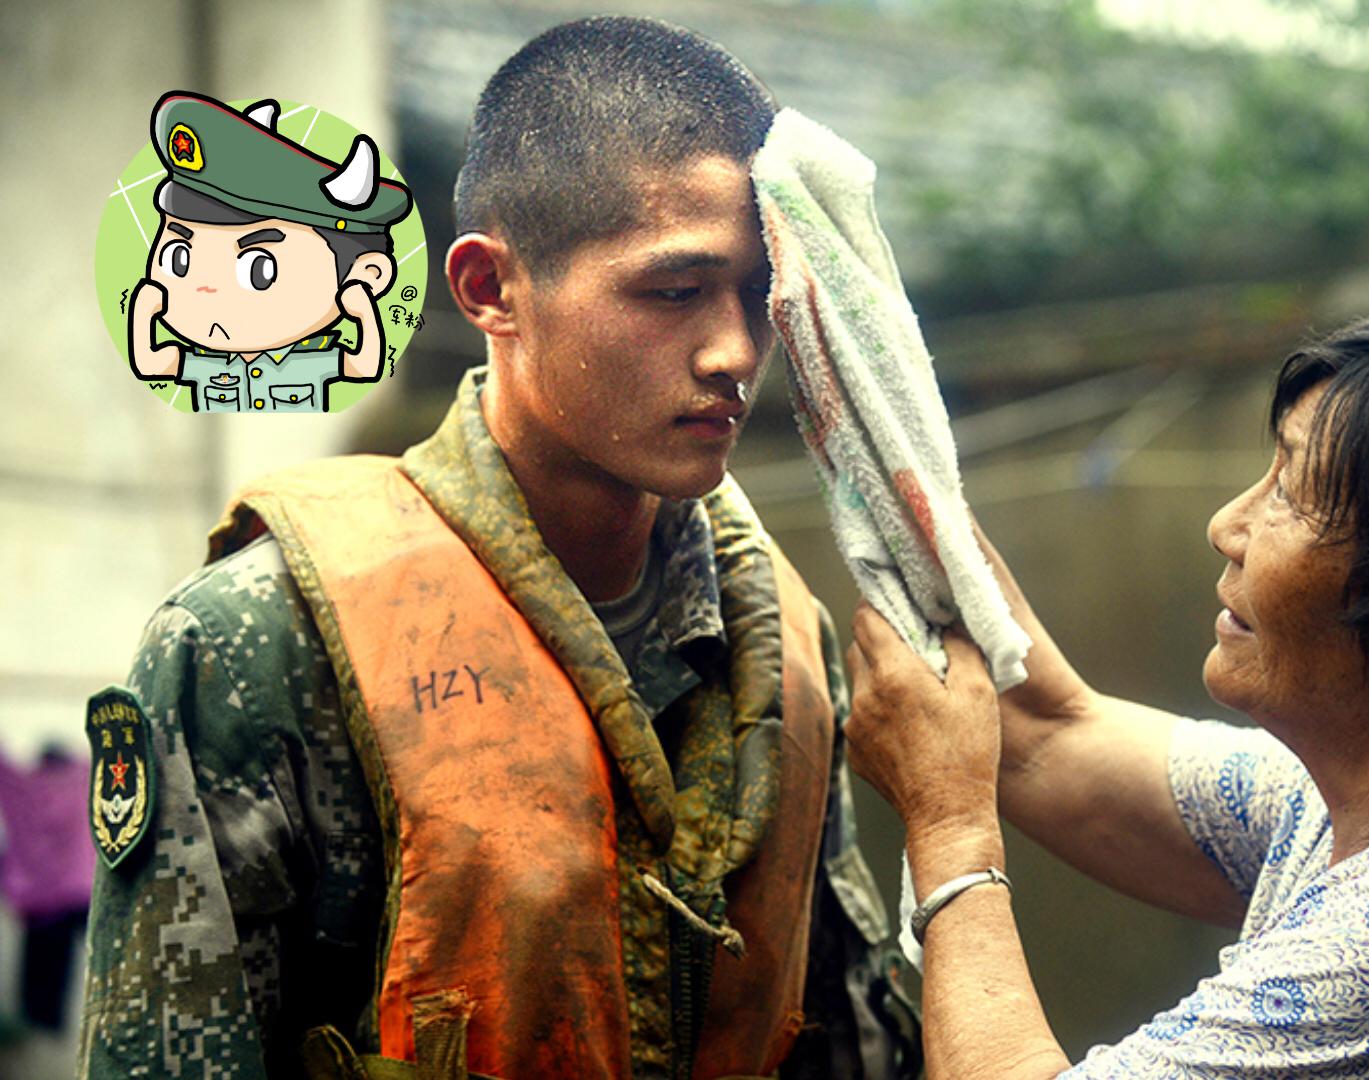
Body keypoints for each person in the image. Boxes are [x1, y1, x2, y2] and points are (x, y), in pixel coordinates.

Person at [80, 17, 914, 1080]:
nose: (736, 351)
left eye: (759, 296)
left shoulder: (789, 642)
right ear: (489, 290)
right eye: (673, 292)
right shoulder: (257, 640)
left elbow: (850, 1042)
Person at [845, 308, 1369, 1078]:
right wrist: (870, 412)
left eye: (1292, 494)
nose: (1228, 525)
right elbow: (1046, 735)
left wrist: (949, 829)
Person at [128, 92, 405, 412]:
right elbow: (152, 364)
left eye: (259, 269)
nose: (206, 287)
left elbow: (363, 366)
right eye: (179, 259)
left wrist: (363, 311)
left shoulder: (308, 363)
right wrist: (144, 310)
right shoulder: (209, 364)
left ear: (367, 274)